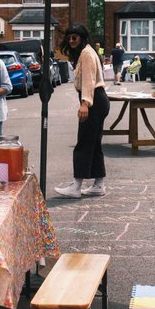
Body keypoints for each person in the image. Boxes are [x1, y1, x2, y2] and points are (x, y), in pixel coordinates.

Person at [54, 24, 108, 198]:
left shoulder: (86, 53)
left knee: (84, 143)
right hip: (98, 99)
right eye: (69, 38)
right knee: (94, 143)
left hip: (93, 100)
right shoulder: (88, 52)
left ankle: (76, 186)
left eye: (74, 38)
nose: (71, 41)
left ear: (82, 38)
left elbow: (89, 80)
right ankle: (98, 184)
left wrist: (85, 103)